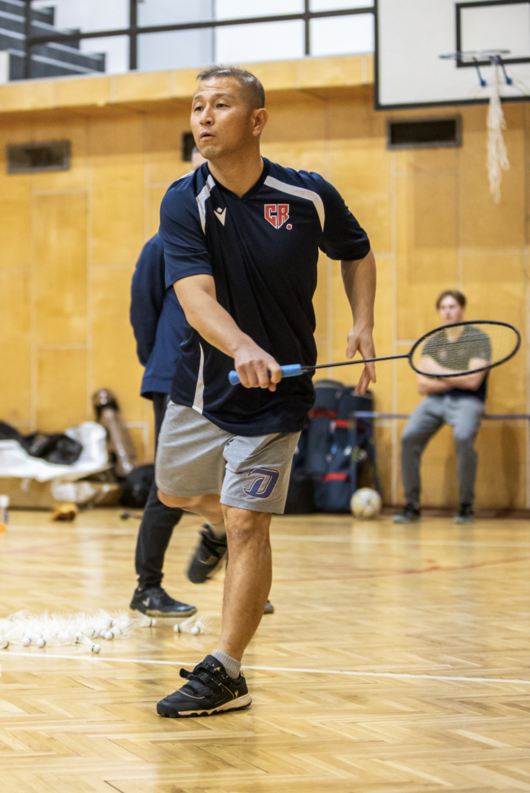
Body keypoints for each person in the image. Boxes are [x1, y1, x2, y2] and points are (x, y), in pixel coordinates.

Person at [154, 64, 376, 718]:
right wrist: (241, 346)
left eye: (218, 105)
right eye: (196, 105)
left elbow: (356, 251)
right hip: (202, 387)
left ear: (257, 120)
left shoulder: (306, 196)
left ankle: (226, 668)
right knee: (173, 491)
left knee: (251, 521)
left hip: (279, 396)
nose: (202, 116)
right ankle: (219, 524)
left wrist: (362, 320)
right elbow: (195, 298)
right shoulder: (182, 199)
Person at [129, 147, 274, 617]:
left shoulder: (238, 239)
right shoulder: (165, 240)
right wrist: (158, 364)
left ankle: (241, 579)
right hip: (175, 375)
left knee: (239, 483)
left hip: (229, 376)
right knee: (166, 487)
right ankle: (146, 587)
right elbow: (143, 307)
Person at [394, 290, 491, 526]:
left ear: (462, 309)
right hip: (435, 402)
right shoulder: (433, 341)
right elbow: (422, 384)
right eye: (444, 307)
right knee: (408, 437)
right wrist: (454, 376)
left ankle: (466, 506)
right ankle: (412, 505)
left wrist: (437, 371)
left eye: (452, 306)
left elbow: (473, 381)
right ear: (440, 311)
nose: (448, 311)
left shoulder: (478, 338)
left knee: (463, 436)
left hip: (469, 401)